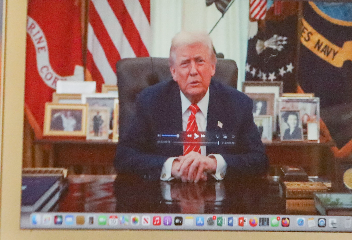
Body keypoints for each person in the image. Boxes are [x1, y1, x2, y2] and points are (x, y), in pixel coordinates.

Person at [114, 31, 268, 182]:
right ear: (173, 72)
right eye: (185, 63)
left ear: (213, 67)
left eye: (200, 61)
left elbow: (259, 160)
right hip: (164, 198)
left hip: (218, 198)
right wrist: (172, 166)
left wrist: (214, 163)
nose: (193, 71)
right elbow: (124, 157)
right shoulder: (151, 101)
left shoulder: (237, 104)